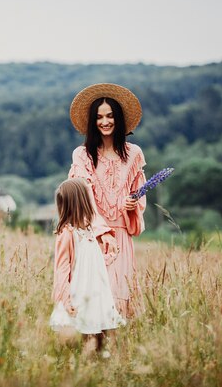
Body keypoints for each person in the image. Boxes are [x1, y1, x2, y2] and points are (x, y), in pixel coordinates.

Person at [68, 83, 146, 318]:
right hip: (93, 235)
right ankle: (92, 350)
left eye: (110, 116)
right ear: (93, 122)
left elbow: (139, 195)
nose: (105, 122)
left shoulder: (134, 154)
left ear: (118, 119)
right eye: (99, 117)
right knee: (94, 296)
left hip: (121, 236)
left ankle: (119, 351)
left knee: (118, 294)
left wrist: (132, 207)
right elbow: (82, 198)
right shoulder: (81, 155)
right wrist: (101, 230)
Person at [49, 178, 125, 352]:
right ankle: (75, 362)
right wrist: (65, 299)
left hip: (96, 291)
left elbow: (92, 263)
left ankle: (98, 361)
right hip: (78, 292)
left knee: (98, 330)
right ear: (82, 203)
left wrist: (110, 257)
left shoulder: (89, 231)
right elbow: (61, 269)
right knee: (78, 332)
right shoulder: (67, 233)